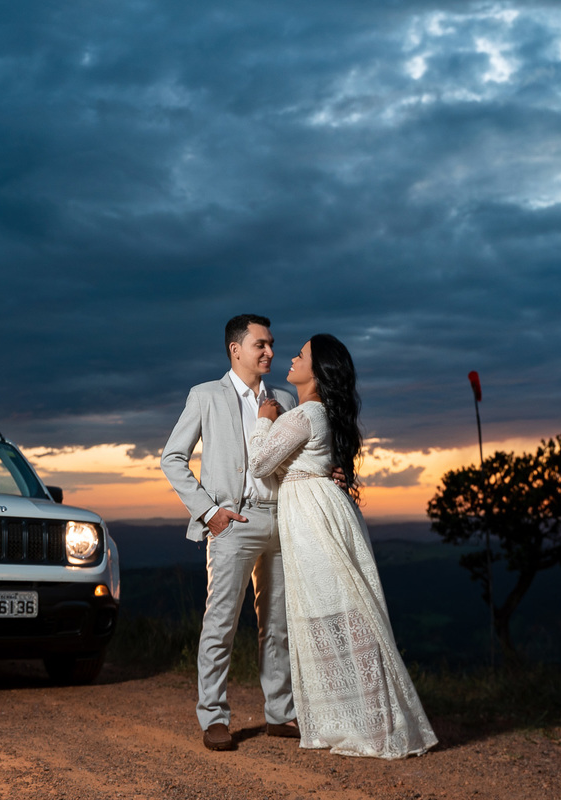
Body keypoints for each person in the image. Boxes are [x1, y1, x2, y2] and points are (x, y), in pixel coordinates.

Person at [248, 334, 438, 759]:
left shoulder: (305, 413)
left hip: (312, 517)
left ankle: (365, 723)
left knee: (332, 611)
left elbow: (260, 463)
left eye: (301, 354)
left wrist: (263, 419)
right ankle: (366, 720)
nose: (291, 358)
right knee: (344, 610)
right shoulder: (322, 414)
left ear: (317, 372)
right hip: (322, 510)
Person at [160, 314, 299, 751]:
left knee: (277, 625)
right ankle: (214, 717)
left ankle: (280, 713)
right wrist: (209, 512)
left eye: (271, 344)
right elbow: (172, 458)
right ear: (235, 349)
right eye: (261, 344)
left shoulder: (285, 397)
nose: (270, 352)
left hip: (281, 520)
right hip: (233, 523)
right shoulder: (205, 395)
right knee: (220, 623)